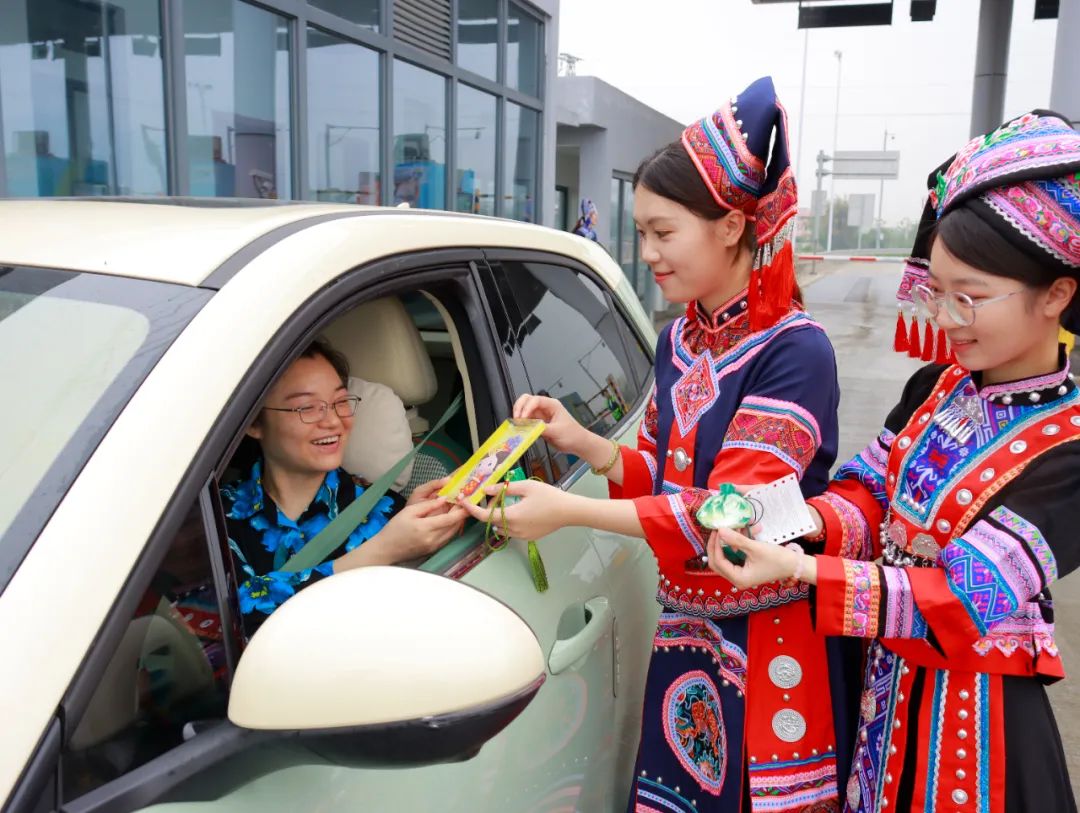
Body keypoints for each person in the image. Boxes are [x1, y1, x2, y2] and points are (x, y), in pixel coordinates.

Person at [460, 77, 859, 812]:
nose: (645, 251)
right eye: (641, 232)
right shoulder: (680, 339)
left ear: (731, 226)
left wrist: (567, 510)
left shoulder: (794, 350)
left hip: (764, 631)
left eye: (662, 232)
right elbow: (659, 470)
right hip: (685, 625)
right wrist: (584, 440)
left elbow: (726, 514)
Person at [705, 109, 1080, 812]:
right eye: (937, 291)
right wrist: (791, 520)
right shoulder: (935, 387)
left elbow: (961, 600)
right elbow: (869, 488)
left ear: (1057, 293)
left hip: (978, 725)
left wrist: (799, 569)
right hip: (889, 691)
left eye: (969, 298)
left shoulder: (1068, 446)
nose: (945, 318)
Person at [221, 338, 465, 636]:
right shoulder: (215, 518)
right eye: (307, 407)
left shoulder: (386, 512)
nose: (334, 421)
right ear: (253, 422)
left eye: (340, 402)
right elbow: (231, 622)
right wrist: (382, 550)